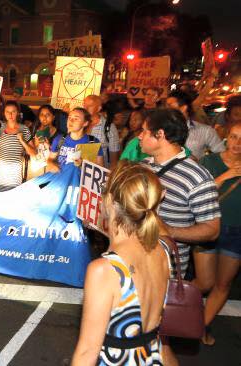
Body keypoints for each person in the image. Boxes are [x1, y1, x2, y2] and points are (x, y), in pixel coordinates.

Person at [72, 162, 170, 365]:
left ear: (109, 201)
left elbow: (87, 353)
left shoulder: (105, 270)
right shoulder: (163, 250)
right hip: (151, 356)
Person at [138, 108, 221, 281]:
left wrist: (169, 231)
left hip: (165, 273)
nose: (139, 136)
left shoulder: (197, 177)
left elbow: (212, 230)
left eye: (144, 131)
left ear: (159, 134)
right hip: (133, 263)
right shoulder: (143, 166)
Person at [199, 122, 241, 346]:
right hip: (208, 227)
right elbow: (201, 193)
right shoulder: (210, 161)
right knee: (205, 282)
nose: (237, 143)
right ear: (226, 137)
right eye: (234, 137)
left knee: (223, 284)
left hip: (237, 231)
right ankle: (170, 308)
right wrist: (226, 176)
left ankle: (200, 327)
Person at [0, 102, 33, 190]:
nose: (10, 114)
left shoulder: (24, 129)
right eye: (7, 112)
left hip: (14, 172)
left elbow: (33, 153)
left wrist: (22, 141)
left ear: (18, 113)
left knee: (11, 198)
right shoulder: (1, 126)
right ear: (4, 113)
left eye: (13, 112)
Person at [166, 90, 224, 160]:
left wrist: (203, 164)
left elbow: (221, 154)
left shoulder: (205, 131)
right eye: (166, 105)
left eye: (170, 105)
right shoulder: (160, 128)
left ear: (183, 108)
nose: (166, 109)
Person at [47, 107, 104, 172]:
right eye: (69, 117)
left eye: (76, 119)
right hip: (61, 178)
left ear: (85, 123)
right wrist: (51, 164)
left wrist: (83, 164)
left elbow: (100, 168)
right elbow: (50, 158)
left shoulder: (93, 142)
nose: (71, 121)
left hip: (80, 180)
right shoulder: (59, 139)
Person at [84, 95, 120, 168]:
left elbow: (114, 158)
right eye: (84, 105)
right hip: (79, 170)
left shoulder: (109, 127)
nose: (85, 108)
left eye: (90, 106)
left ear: (98, 108)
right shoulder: (80, 123)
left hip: (98, 172)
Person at [26, 105, 61, 179]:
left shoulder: (59, 135)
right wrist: (36, 144)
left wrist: (49, 146)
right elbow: (28, 152)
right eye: (41, 115)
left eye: (48, 115)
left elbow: (61, 155)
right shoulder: (33, 131)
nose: (44, 117)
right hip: (36, 170)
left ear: (53, 117)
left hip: (51, 171)